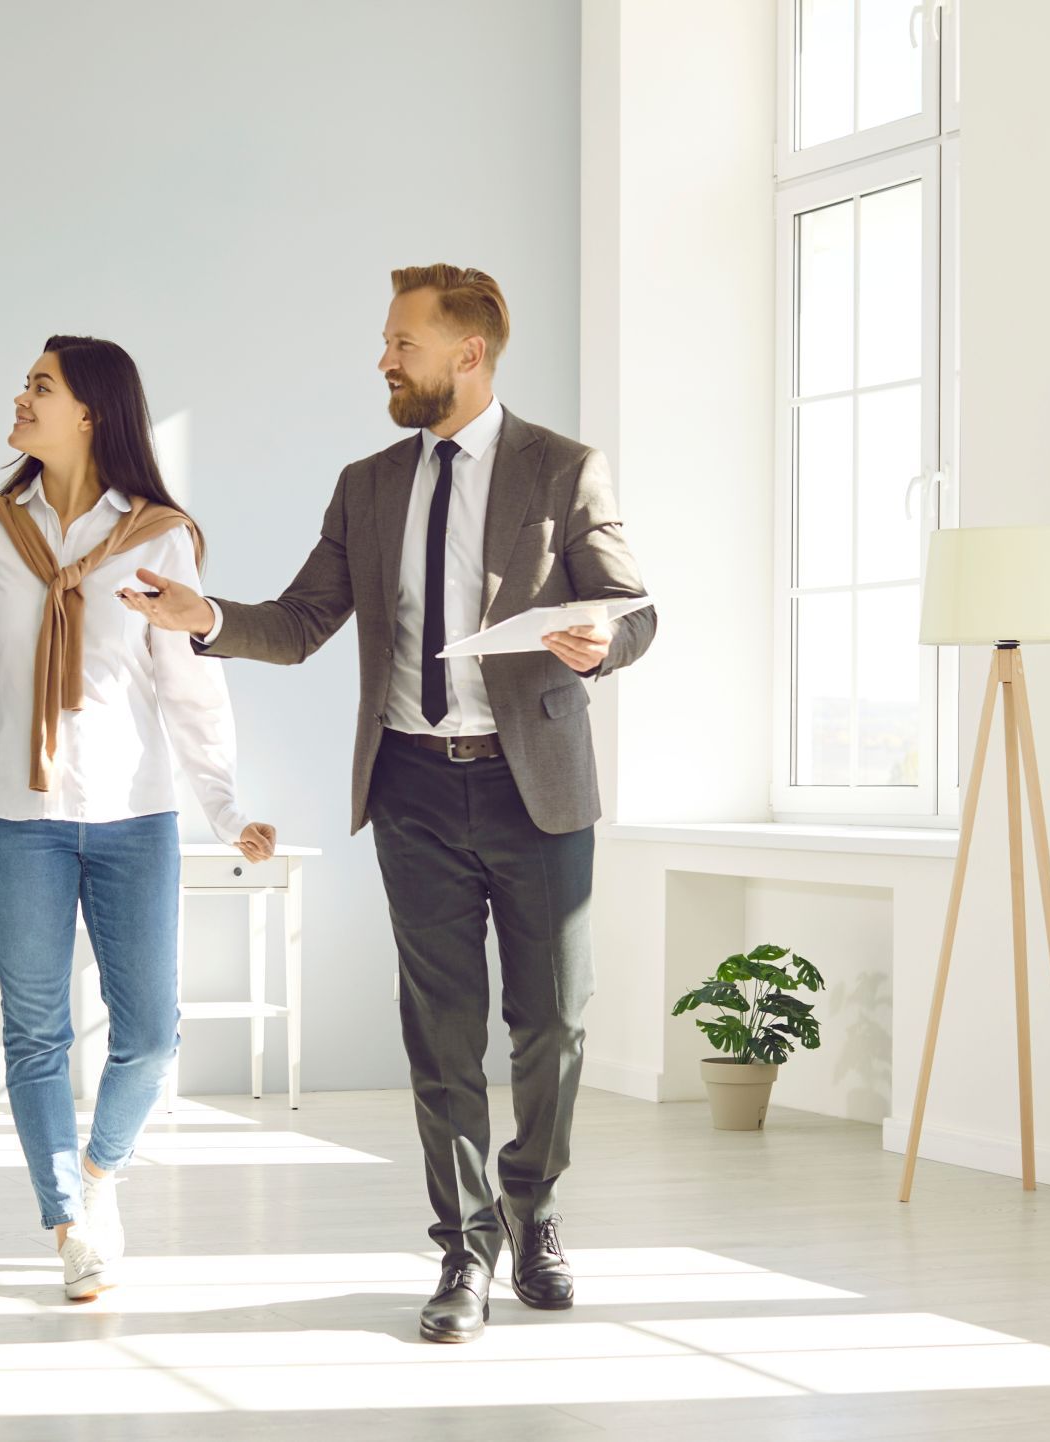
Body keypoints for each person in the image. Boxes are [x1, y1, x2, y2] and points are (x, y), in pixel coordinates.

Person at [122, 265, 656, 1343]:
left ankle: (534, 1202)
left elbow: (632, 608)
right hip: (411, 784)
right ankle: (462, 1248)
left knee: (552, 1019)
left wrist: (605, 643)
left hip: (534, 784)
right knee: (440, 1029)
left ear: (469, 354)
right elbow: (304, 617)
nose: (384, 359)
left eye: (401, 342)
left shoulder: (564, 470)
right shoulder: (367, 483)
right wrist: (206, 615)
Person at [0, 335, 275, 1300]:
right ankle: (67, 1221)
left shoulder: (162, 537)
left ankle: (99, 1173)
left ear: (89, 412)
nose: (21, 396)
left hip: (134, 818)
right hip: (14, 817)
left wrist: (227, 808)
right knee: (34, 1031)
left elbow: (189, 691)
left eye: (40, 386)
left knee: (152, 1033)